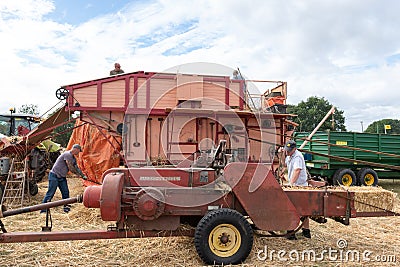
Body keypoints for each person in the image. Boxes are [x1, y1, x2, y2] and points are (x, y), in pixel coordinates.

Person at [41, 144, 87, 213]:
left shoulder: (73, 158)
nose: (78, 153)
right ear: (76, 149)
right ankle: (43, 210)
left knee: (65, 193)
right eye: (79, 151)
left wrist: (82, 175)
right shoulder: (67, 154)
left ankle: (66, 209)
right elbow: (70, 167)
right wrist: (77, 174)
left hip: (61, 177)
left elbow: (76, 167)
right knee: (50, 193)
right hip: (54, 175)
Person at [283, 140, 311, 239]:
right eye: (286, 150)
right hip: (295, 186)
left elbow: (297, 170)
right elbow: (285, 166)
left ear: (295, 149)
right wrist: (282, 173)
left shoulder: (298, 156)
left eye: (289, 150)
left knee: (295, 210)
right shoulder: (289, 156)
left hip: (300, 186)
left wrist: (291, 184)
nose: (287, 152)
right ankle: (306, 232)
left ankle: (291, 233)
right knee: (303, 210)